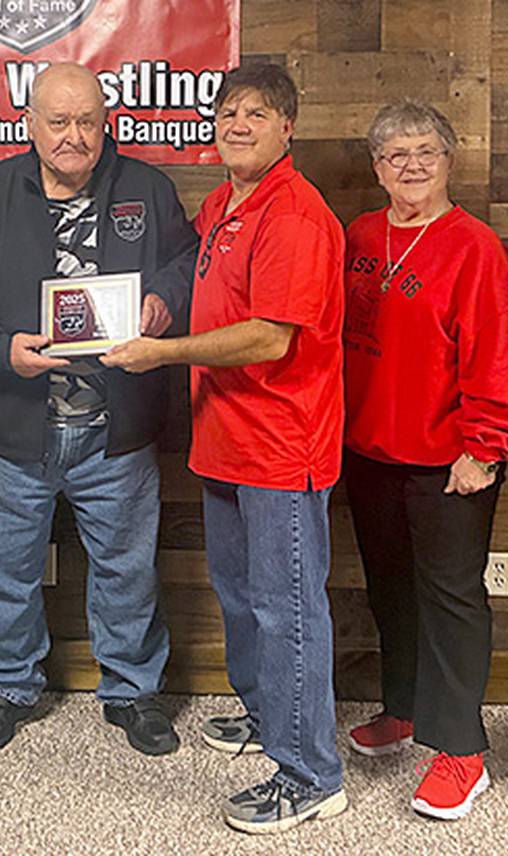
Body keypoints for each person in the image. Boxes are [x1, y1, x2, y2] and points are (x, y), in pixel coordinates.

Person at [102, 63, 346, 834]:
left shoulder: (295, 215)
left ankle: (310, 772)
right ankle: (272, 717)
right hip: (224, 443)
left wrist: (160, 352)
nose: (237, 124)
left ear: (287, 127)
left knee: (287, 610)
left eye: (257, 113)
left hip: (281, 445)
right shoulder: (222, 203)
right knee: (242, 599)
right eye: (228, 112)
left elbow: (270, 337)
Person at [0, 62, 197, 756]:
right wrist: (1, 348)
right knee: (4, 567)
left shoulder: (146, 187)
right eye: (59, 121)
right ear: (29, 123)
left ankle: (133, 692)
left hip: (118, 429)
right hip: (15, 425)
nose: (74, 136)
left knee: (126, 568)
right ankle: (9, 687)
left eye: (86, 120)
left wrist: (165, 301)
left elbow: (187, 262)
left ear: (105, 120)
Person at [340, 99, 508, 820]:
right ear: (378, 169)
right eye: (395, 155)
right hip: (370, 452)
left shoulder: (474, 247)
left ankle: (461, 750)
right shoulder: (361, 235)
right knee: (390, 589)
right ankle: (404, 709)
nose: (412, 166)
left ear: (449, 159)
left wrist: (484, 448)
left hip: (450, 460)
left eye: (425, 151)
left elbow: (505, 356)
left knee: (452, 602)